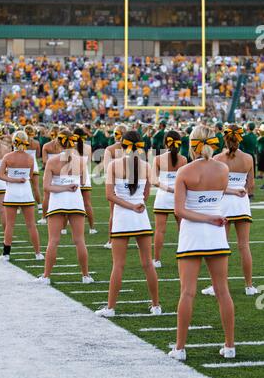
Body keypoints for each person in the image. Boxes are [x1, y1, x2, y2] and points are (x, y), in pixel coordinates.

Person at [169, 125, 235, 361]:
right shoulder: (223, 169)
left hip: (193, 235)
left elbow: (179, 210)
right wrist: (211, 217)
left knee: (187, 292)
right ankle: (230, 346)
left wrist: (206, 217)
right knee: (222, 291)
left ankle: (180, 349)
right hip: (216, 233)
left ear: (192, 142)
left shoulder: (185, 171)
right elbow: (217, 198)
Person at [95, 130, 161, 318]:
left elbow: (109, 196)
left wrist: (130, 206)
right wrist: (136, 205)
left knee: (118, 265)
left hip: (123, 217)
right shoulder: (147, 166)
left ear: (122, 145)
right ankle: (156, 305)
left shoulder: (114, 165)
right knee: (148, 264)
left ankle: (110, 308)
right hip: (141, 216)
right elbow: (146, 194)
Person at [202, 125, 257, 297]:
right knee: (244, 246)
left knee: (220, 247)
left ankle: (216, 286)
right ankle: (249, 286)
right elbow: (251, 186)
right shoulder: (248, 158)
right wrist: (240, 191)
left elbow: (214, 186)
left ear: (224, 139)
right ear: (240, 138)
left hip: (222, 205)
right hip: (241, 203)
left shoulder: (217, 158)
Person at [36, 129, 94, 285]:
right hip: (75, 202)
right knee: (79, 240)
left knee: (53, 241)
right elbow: (82, 183)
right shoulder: (81, 161)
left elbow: (47, 187)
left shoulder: (52, 162)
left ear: (58, 142)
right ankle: (85, 276)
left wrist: (63, 187)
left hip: (57, 202)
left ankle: (46, 276)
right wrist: (69, 186)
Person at [0, 131, 44, 262]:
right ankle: (38, 253)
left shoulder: (7, 157)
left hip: (11, 193)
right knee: (31, 225)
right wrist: (18, 178)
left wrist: (12, 178)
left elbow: (0, 175)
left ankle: (6, 254)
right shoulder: (30, 158)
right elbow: (29, 176)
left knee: (10, 225)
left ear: (13, 142)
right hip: (26, 193)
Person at [152, 131, 187, 268]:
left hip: (163, 197)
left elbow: (154, 180)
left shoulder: (158, 159)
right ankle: (184, 255)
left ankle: (157, 260)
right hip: (179, 197)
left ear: (165, 142)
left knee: (160, 230)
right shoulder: (183, 159)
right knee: (182, 229)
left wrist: (167, 188)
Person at [103, 125, 127, 249]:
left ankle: (111, 241)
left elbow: (107, 169)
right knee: (135, 210)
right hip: (132, 183)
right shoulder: (132, 148)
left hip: (116, 183)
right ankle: (140, 239)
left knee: (114, 213)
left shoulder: (110, 149)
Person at [74, 127, 98, 235]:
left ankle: (63, 229)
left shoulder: (70, 147)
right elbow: (89, 161)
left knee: (68, 203)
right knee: (87, 204)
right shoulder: (88, 147)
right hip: (85, 176)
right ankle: (92, 228)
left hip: (72, 176)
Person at [38, 126, 64, 225]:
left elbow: (45, 162)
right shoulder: (64, 145)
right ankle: (65, 219)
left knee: (47, 196)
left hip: (49, 172)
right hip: (62, 172)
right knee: (63, 194)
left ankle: (44, 218)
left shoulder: (46, 145)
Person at [24, 125, 42, 215]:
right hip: (33, 165)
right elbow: (38, 155)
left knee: (22, 187)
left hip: (22, 166)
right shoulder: (36, 142)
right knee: (36, 188)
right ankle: (40, 207)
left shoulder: (21, 141)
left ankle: (19, 207)